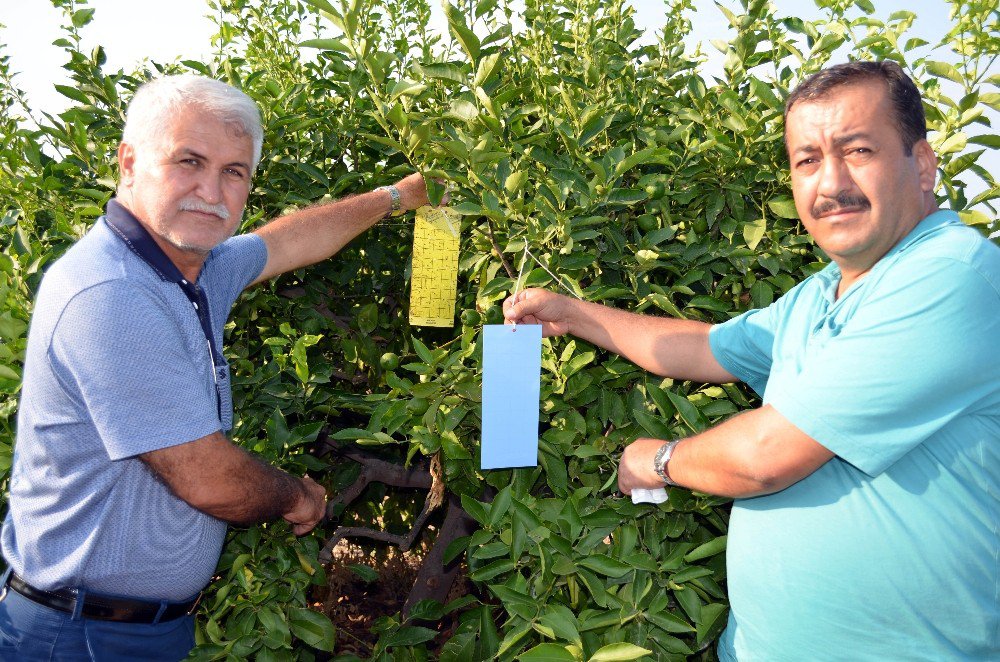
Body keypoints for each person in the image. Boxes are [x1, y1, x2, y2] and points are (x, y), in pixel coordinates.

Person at [504, 60, 998, 660]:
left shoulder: (948, 278)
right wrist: (573, 313)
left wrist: (658, 461)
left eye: (858, 150)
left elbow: (767, 457)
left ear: (921, 165)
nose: (830, 181)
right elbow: (705, 347)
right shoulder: (825, 291)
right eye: (807, 160)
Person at [0, 74, 431, 660]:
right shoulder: (113, 292)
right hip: (81, 634)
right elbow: (208, 478)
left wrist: (399, 196)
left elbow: (287, 242)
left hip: (133, 626)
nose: (211, 190)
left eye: (234, 171)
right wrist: (295, 496)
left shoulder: (186, 266)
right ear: (128, 163)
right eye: (188, 161)